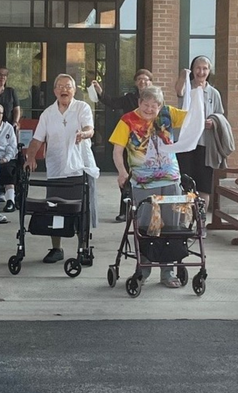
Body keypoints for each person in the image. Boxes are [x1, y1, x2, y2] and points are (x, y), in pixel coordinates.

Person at [109, 85, 188, 288]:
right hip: (144, 183)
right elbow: (117, 151)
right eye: (146, 104)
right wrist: (122, 172)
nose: (150, 109)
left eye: (154, 105)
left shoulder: (168, 114)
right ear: (139, 102)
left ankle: (167, 272)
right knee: (145, 227)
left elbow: (192, 118)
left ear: (160, 105)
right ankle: (143, 270)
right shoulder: (127, 120)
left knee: (171, 227)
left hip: (171, 180)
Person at [25, 74, 94, 263]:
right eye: (60, 86)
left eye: (68, 86)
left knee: (81, 211)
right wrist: (30, 157)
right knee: (54, 208)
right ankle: (56, 248)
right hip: (56, 169)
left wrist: (83, 134)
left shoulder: (82, 107)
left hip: (79, 167)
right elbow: (37, 139)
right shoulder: (48, 114)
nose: (64, 89)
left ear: (74, 90)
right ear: (55, 91)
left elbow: (89, 129)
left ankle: (83, 248)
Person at [93, 68, 153, 221]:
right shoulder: (129, 98)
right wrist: (100, 91)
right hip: (129, 142)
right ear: (136, 83)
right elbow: (113, 102)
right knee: (125, 174)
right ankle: (125, 210)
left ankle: (144, 209)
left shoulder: (156, 99)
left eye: (146, 79)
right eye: (139, 79)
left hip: (148, 144)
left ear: (151, 82)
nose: (142, 82)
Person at [175, 56, 226, 222]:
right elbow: (179, 91)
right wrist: (183, 76)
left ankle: (200, 222)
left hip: (205, 144)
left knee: (203, 185)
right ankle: (184, 221)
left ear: (209, 71)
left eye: (205, 68)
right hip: (186, 144)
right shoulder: (187, 87)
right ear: (193, 69)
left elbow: (220, 116)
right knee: (185, 183)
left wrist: (213, 122)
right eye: (198, 68)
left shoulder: (214, 93)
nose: (201, 72)